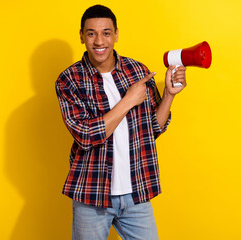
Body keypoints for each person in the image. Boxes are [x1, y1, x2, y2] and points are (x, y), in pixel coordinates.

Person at [55, 4, 186, 240]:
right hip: (92, 196)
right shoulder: (69, 79)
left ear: (116, 35)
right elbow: (85, 135)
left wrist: (168, 94)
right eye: (91, 33)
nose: (99, 41)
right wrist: (128, 101)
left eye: (106, 32)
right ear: (81, 36)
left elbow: (153, 129)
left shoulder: (137, 71)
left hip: (136, 193)